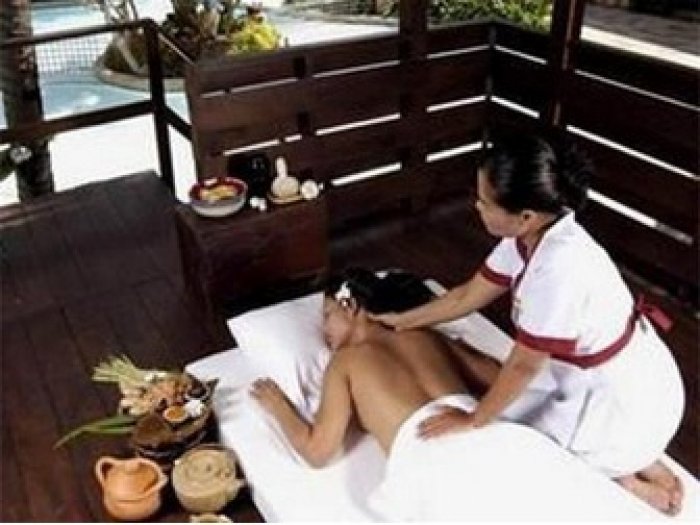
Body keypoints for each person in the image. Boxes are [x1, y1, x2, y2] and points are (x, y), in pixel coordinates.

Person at [370, 135, 685, 515]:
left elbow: (523, 366)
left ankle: (629, 474)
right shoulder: (533, 233)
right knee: (515, 412)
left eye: (485, 202)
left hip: (624, 400)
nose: (477, 206)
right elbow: (466, 295)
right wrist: (402, 322)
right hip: (625, 381)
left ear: (525, 216)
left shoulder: (558, 269)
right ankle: (634, 453)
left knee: (523, 450)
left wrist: (473, 420)